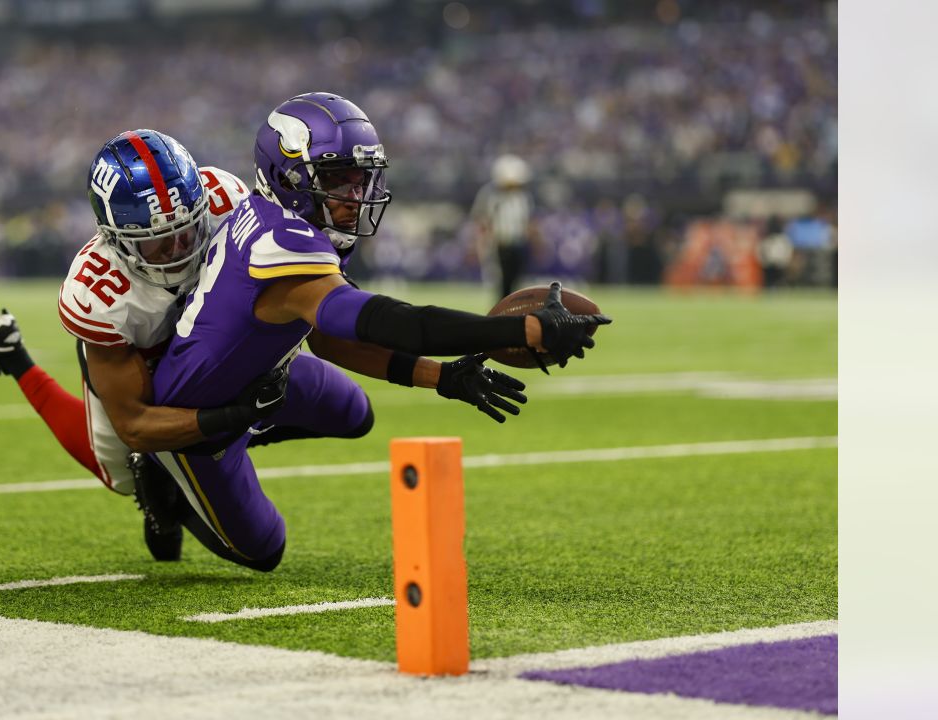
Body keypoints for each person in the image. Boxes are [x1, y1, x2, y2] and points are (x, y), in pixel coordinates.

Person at [144, 92, 611, 573]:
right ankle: (169, 476)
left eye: (360, 177)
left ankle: (245, 424)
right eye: (337, 179)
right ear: (289, 178)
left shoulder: (285, 219)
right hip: (194, 415)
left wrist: (442, 379)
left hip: (257, 373)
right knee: (265, 550)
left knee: (353, 413)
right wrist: (523, 328)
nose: (355, 195)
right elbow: (394, 322)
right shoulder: (280, 246)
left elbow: (329, 338)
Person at [0, 129, 283, 562]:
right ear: (115, 237)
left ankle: (177, 471)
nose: (179, 250)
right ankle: (16, 357)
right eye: (158, 242)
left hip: (204, 342)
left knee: (336, 410)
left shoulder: (225, 197)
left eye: (187, 230)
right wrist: (231, 416)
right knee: (122, 474)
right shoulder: (100, 293)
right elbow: (134, 425)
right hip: (135, 353)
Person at [470, 153, 535, 299]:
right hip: (499, 245)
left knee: (516, 282)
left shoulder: (522, 197)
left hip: (518, 244)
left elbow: (527, 221)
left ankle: (512, 311)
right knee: (501, 283)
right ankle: (502, 313)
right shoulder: (491, 195)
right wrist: (482, 244)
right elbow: (483, 222)